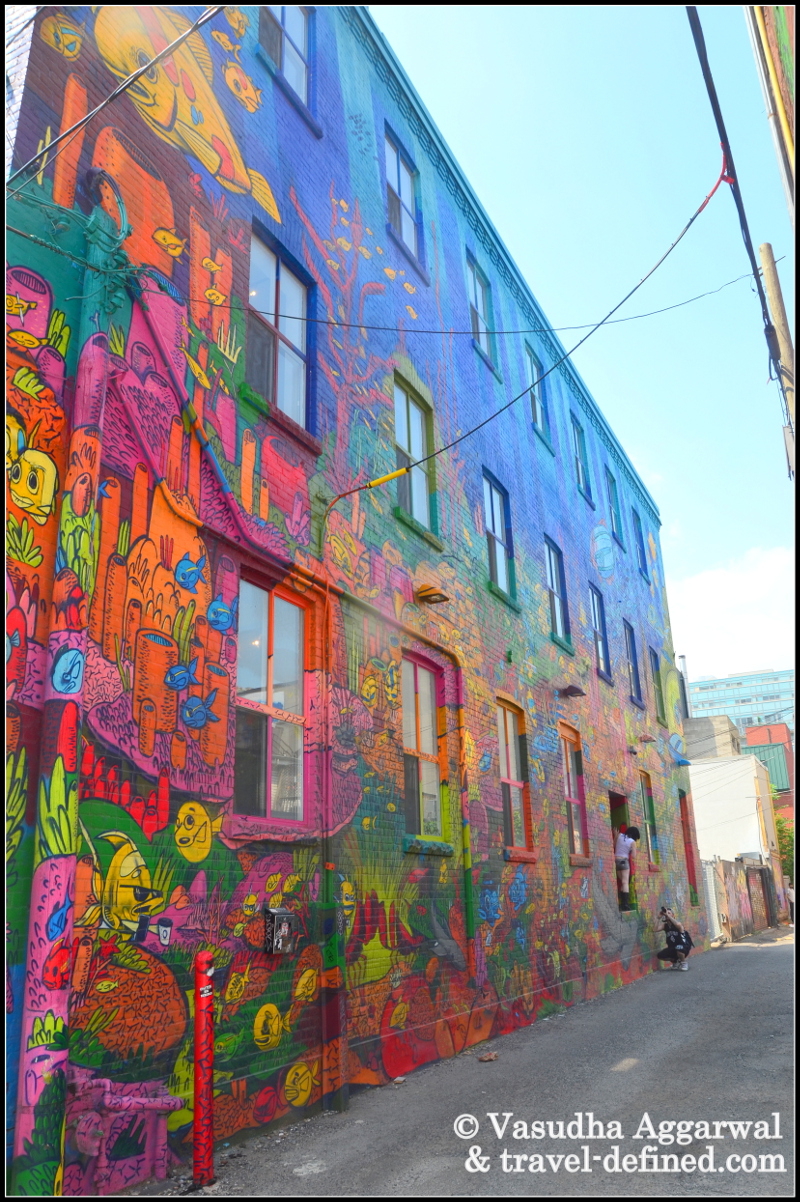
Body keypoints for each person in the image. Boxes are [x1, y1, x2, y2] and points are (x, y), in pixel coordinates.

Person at [655, 906, 693, 970]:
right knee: (660, 955)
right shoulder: (665, 926)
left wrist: (668, 915)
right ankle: (675, 961)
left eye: (669, 913)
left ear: (673, 915)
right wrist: (658, 918)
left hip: (684, 946)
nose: (666, 914)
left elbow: (678, 925)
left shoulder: (678, 924)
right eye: (666, 913)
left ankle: (683, 963)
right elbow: (655, 929)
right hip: (673, 947)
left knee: (679, 947)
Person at [614, 826, 640, 912]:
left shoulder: (619, 835)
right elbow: (634, 856)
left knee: (622, 881)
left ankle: (622, 903)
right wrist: (631, 849)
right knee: (625, 882)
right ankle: (625, 904)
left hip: (616, 861)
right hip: (624, 861)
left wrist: (615, 835)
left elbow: (613, 845)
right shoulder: (632, 842)